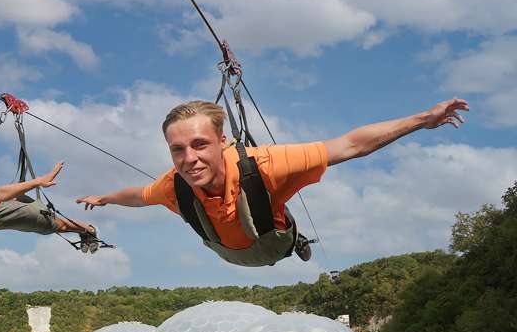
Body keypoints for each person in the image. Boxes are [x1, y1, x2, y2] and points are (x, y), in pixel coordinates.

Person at [76, 98, 469, 267]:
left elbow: (350, 145)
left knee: (269, 216)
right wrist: (106, 198)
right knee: (182, 198)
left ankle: (296, 240)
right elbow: (139, 196)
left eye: (199, 145)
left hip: (272, 243)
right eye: (177, 150)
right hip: (230, 253)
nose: (189, 158)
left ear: (223, 142)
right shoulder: (173, 185)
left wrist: (422, 120)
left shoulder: (264, 165)